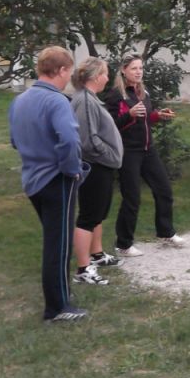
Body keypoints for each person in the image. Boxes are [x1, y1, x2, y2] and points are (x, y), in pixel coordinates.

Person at [9, 46, 88, 322]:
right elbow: (69, 140)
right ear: (61, 70)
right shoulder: (57, 101)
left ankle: (60, 299)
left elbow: (15, 141)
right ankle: (57, 308)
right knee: (59, 246)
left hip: (32, 180)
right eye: (69, 72)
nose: (69, 79)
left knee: (55, 240)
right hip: (56, 180)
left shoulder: (19, 100)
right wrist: (72, 170)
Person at [105, 53, 185, 257]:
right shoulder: (116, 95)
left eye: (140, 68)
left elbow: (145, 118)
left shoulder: (143, 92)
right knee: (132, 198)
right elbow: (111, 126)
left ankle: (166, 232)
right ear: (124, 70)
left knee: (164, 189)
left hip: (148, 150)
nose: (138, 72)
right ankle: (123, 244)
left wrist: (157, 115)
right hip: (129, 152)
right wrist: (129, 115)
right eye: (134, 68)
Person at [70, 57, 124, 285]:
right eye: (105, 73)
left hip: (103, 165)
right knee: (89, 216)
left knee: (98, 213)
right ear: (94, 77)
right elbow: (88, 140)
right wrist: (110, 155)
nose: (107, 78)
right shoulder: (84, 100)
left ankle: (97, 254)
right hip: (95, 165)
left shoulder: (91, 98)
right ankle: (83, 269)